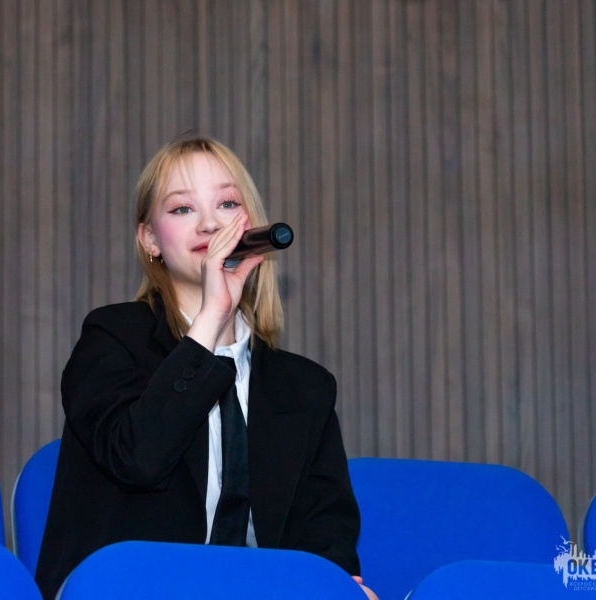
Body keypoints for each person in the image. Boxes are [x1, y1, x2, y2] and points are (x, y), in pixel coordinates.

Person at [35, 135, 377, 600]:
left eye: (227, 204)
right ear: (150, 239)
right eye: (182, 209)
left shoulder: (306, 387)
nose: (210, 223)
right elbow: (138, 459)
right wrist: (213, 316)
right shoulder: (112, 339)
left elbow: (325, 536)